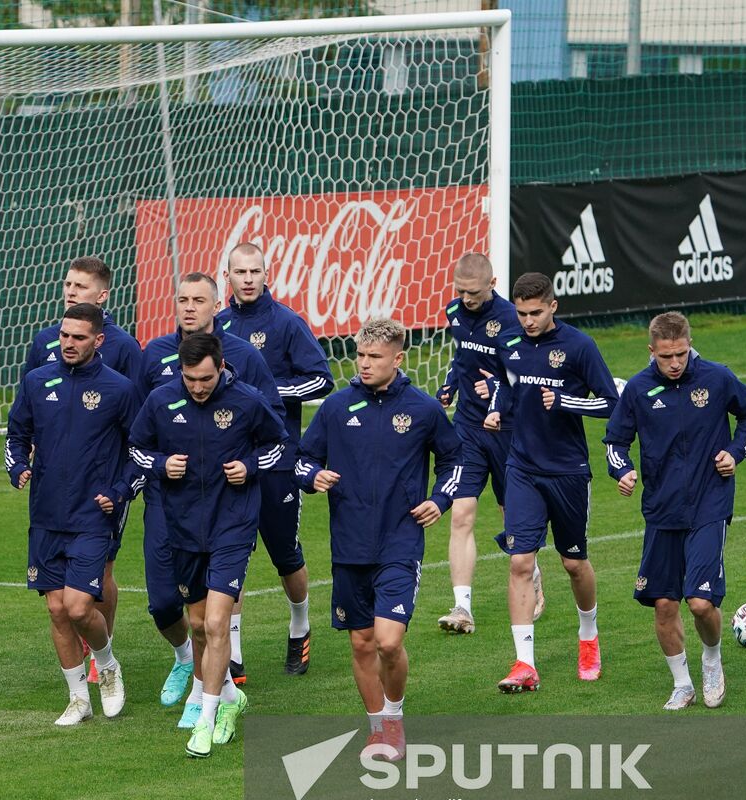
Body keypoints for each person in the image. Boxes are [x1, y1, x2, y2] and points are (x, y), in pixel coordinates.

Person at [296, 318, 461, 760]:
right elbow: (300, 460)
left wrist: (440, 499)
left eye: (374, 357)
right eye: (360, 356)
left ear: (398, 359)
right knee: (362, 643)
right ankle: (378, 728)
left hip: (400, 541)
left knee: (389, 641)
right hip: (349, 543)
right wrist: (314, 476)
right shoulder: (335, 408)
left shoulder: (424, 410)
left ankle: (394, 718)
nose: (364, 365)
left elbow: (455, 460)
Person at [128, 333, 289, 758]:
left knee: (217, 624)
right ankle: (233, 697)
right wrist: (162, 464)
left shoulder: (247, 401)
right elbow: (137, 449)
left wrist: (249, 467)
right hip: (184, 530)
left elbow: (279, 446)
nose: (197, 387)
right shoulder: (162, 401)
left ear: (220, 367)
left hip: (233, 527)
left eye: (204, 379)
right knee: (197, 626)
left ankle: (208, 717)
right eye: (189, 379)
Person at [603, 311, 746, 710]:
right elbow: (614, 443)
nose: (675, 363)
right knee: (663, 603)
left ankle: (711, 660)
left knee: (701, 603)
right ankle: (682, 684)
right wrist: (622, 471)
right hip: (661, 509)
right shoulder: (638, 390)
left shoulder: (717, 377)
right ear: (651, 351)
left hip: (710, 503)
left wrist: (735, 453)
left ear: (689, 345)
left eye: (681, 354)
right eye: (666, 356)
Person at [6, 303, 140, 724]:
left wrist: (118, 492)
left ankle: (108, 665)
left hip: (91, 515)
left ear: (98, 341)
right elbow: (16, 434)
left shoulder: (119, 389)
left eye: (79, 337)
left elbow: (140, 452)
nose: (68, 343)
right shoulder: (36, 381)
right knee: (56, 610)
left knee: (80, 607)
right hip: (46, 514)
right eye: (65, 335)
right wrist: (18, 466)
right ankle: (78, 698)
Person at [486, 272, 617, 693]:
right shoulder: (508, 342)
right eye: (521, 313)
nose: (527, 320)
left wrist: (563, 401)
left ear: (553, 306)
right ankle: (524, 664)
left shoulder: (579, 346)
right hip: (521, 468)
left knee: (573, 564)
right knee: (520, 562)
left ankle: (588, 638)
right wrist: (495, 408)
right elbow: (508, 389)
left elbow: (610, 403)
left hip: (568, 471)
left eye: (536, 312)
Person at [24, 257, 143, 680]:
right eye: (68, 284)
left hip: (105, 482)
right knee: (59, 598)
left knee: (103, 568)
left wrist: (124, 480)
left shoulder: (125, 348)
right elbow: (30, 405)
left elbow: (136, 418)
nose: (71, 291)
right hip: (56, 486)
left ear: (103, 295)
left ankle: (100, 655)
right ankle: (75, 664)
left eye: (81, 286)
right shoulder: (45, 342)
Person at [218, 243, 334, 676]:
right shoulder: (218, 326)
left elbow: (321, 380)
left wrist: (266, 395)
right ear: (226, 276)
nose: (247, 279)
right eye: (239, 272)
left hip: (278, 459)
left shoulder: (287, 322)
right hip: (230, 461)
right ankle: (232, 654)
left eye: (254, 271)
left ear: (267, 274)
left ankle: (300, 626)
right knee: (231, 556)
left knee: (285, 555)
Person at [433, 252, 542, 634]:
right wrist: (449, 385)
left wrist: (498, 397)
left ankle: (531, 571)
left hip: (510, 431)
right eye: (460, 291)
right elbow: (461, 357)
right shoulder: (454, 312)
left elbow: (524, 374)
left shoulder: (512, 320)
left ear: (492, 285)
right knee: (461, 513)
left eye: (474, 292)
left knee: (510, 514)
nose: (466, 299)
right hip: (468, 427)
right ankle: (462, 607)